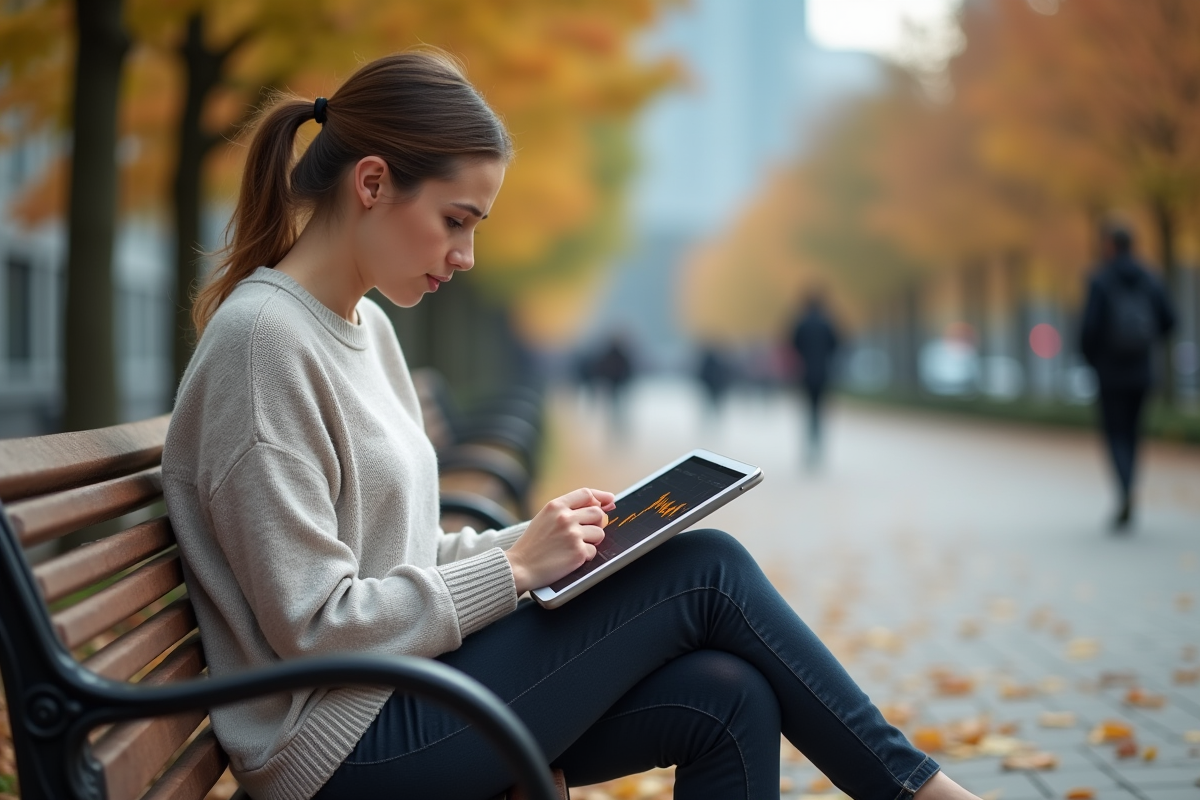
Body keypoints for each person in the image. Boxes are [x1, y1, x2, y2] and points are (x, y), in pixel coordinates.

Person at [163, 50, 981, 800]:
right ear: (371, 184)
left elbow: (400, 557)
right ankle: (920, 792)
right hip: (337, 749)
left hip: (404, 694)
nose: (465, 255)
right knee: (705, 568)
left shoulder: (366, 329)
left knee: (730, 696)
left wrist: (560, 541)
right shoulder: (263, 344)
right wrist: (515, 570)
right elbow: (312, 625)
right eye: (456, 220)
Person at [1080, 223, 1175, 530]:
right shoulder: (1151, 277)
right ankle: (1130, 485)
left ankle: (1124, 490)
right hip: (1141, 369)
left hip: (1109, 373)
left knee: (1115, 434)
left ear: (1109, 244)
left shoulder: (1101, 279)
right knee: (1133, 433)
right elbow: (1170, 321)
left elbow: (1089, 329)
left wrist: (1092, 360)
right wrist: (1146, 344)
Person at [789, 292, 841, 466]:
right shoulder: (827, 323)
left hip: (805, 373)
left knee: (808, 411)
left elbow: (793, 344)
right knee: (819, 411)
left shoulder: (801, 323)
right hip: (824, 373)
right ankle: (819, 446)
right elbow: (837, 344)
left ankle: (809, 448)